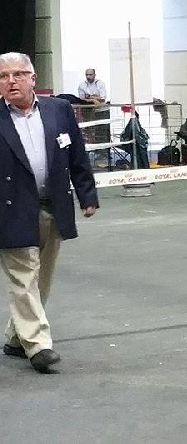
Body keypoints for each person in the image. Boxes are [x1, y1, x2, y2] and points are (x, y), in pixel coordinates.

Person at [0, 52, 99, 373]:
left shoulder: (59, 110)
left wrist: (87, 194)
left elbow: (77, 156)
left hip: (52, 206)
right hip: (11, 209)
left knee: (43, 277)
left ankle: (17, 337)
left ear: (33, 78)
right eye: (3, 76)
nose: (11, 81)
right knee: (23, 275)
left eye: (18, 74)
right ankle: (38, 345)